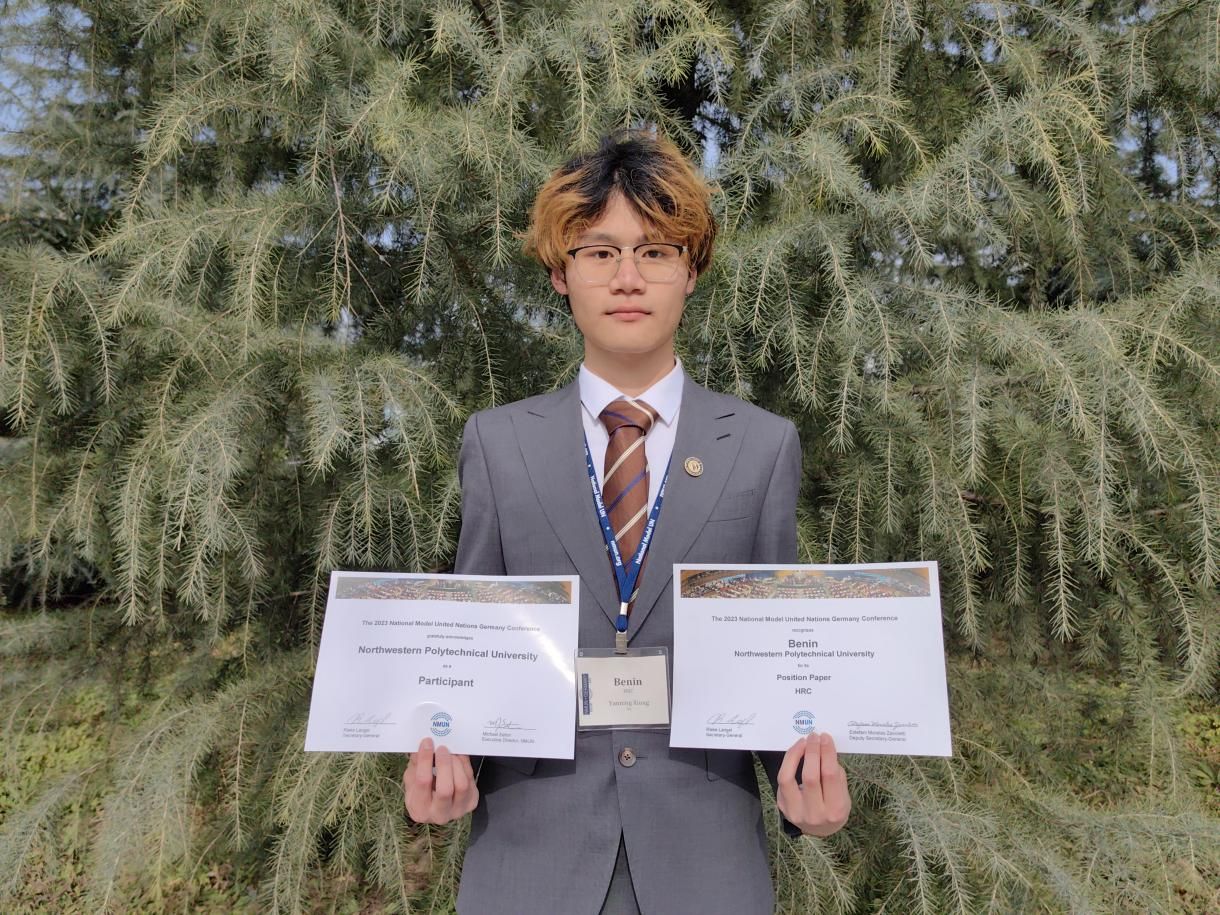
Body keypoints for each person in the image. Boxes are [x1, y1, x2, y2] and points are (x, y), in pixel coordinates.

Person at [403, 130, 851, 914]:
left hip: (705, 862)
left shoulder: (761, 445)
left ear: (692, 269)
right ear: (560, 272)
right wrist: (446, 766)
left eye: (655, 251)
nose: (628, 277)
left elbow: (775, 656)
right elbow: (474, 646)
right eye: (600, 252)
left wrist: (806, 795)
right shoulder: (498, 444)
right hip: (530, 859)